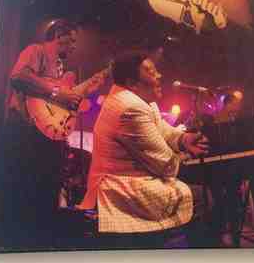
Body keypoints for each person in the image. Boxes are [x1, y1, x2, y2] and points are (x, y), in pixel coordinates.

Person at [78, 50, 209, 248]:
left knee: (197, 193)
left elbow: (164, 130)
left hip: (131, 183)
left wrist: (183, 139)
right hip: (119, 190)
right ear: (132, 83)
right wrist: (184, 153)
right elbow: (165, 166)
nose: (159, 75)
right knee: (202, 196)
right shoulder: (130, 108)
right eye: (151, 72)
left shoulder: (137, 101)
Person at [0, 19, 83, 236]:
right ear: (58, 35)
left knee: (45, 192)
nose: (74, 47)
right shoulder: (36, 51)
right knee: (25, 192)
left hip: (44, 136)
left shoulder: (61, 67)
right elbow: (18, 76)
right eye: (71, 40)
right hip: (25, 133)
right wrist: (57, 93)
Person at [208, 91, 245, 246]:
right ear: (228, 104)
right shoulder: (218, 120)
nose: (239, 107)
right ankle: (221, 233)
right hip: (220, 167)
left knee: (233, 200)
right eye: (236, 104)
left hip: (232, 166)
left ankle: (234, 233)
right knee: (222, 201)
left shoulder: (234, 119)